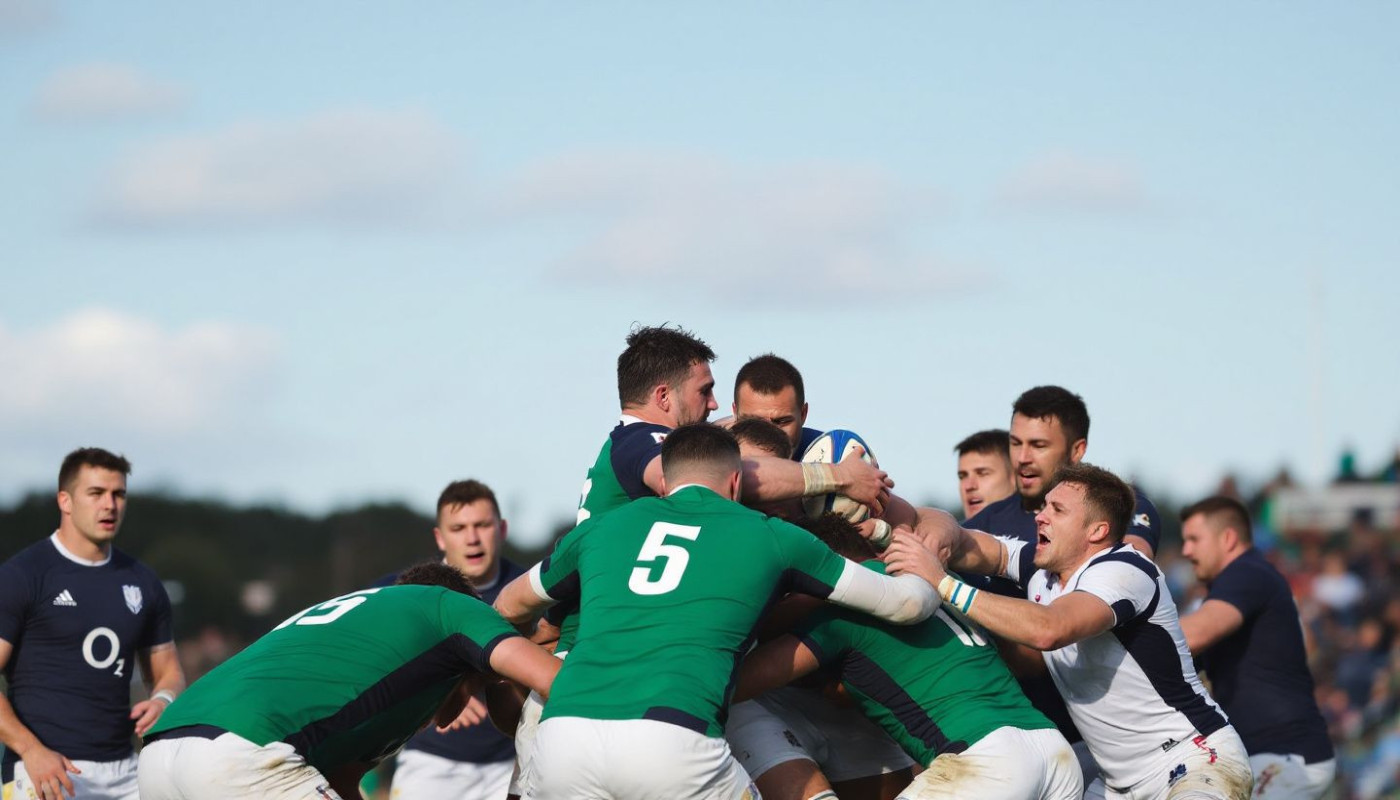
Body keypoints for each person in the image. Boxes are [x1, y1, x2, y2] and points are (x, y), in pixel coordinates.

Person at [494, 424, 940, 800]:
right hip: (672, 738)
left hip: (564, 738)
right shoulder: (770, 535)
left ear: (665, 483)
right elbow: (906, 604)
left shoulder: (603, 527)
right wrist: (927, 570)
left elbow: (509, 604)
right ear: (735, 485)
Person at [891, 463, 1253, 799]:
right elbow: (956, 532)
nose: (1040, 517)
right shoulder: (1041, 569)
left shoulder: (1125, 568)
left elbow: (1050, 629)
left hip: (1196, 758)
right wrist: (926, 532)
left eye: (1057, 510)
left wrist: (941, 582)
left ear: (1097, 531)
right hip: (1117, 785)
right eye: (1044, 506)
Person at [139, 563, 561, 800]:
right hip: (243, 753)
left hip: (161, 755)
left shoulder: (364, 633)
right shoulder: (453, 606)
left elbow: (340, 782)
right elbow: (555, 681)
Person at [735, 514, 1081, 800]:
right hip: (1053, 750)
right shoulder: (933, 580)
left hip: (985, 762)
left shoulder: (840, 616)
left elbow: (744, 682)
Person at [954, 386, 1162, 783]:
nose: (1023, 458)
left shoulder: (1122, 509)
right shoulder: (982, 528)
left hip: (1103, 743)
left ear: (1077, 449)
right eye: (1016, 443)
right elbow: (943, 538)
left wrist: (1010, 631)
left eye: (1038, 445)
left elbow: (1115, 587)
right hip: (1020, 741)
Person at [727, 417, 915, 800]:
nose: (763, 491)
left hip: (843, 706)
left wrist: (891, 535)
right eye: (752, 480)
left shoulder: (818, 520)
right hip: (752, 699)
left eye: (773, 479)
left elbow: (920, 520)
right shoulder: (716, 530)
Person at [0, 448, 184, 800]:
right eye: (96, 493)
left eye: (118, 494)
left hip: (127, 771)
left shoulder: (143, 582)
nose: (110, 505)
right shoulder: (22, 576)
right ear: (65, 501)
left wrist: (162, 699)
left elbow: (169, 673)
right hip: (46, 770)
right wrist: (31, 751)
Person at [1178, 496, 1335, 798]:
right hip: (1268, 753)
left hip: (1286, 754)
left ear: (1228, 538)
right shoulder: (1237, 582)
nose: (1186, 550)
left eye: (1194, 539)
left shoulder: (1246, 574)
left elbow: (1191, 636)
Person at [388, 481, 529, 800]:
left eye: (482, 525)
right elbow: (378, 665)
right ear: (440, 537)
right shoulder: (403, 591)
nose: (472, 538)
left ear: (502, 528)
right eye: (459, 527)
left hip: (510, 761)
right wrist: (439, 695)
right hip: (431, 761)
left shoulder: (533, 589)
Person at [954, 429, 1015, 519]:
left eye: (982, 473)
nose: (969, 486)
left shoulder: (1038, 529)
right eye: (962, 476)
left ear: (1015, 478)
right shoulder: (951, 532)